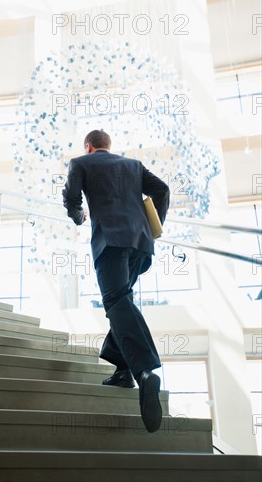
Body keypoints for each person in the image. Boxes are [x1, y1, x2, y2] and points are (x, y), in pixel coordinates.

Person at [62, 129, 170, 433]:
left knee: (116, 301)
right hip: (140, 244)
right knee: (123, 301)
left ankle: (145, 370)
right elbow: (162, 190)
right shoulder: (133, 165)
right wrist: (152, 227)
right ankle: (120, 365)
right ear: (109, 146)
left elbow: (71, 198)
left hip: (110, 243)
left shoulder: (80, 162)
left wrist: (77, 214)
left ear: (88, 146)